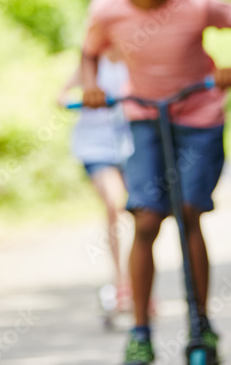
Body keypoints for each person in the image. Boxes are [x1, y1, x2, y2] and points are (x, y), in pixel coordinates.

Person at [81, 0, 231, 365]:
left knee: (187, 213)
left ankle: (201, 325)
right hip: (144, 117)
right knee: (145, 218)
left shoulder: (197, 2)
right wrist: (91, 87)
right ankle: (140, 329)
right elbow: (89, 51)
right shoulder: (108, 10)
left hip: (199, 119)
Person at [58, 48, 135, 315]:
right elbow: (61, 96)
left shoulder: (135, 59)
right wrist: (80, 99)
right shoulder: (91, 64)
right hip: (95, 148)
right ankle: (121, 280)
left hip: (131, 144)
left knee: (141, 211)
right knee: (114, 205)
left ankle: (139, 279)